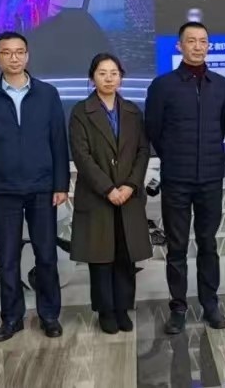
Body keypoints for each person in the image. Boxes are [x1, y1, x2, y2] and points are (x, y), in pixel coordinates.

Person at [0, 32, 69, 342]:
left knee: (47, 255)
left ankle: (49, 315)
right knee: (8, 258)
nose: (14, 57)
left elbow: (58, 140)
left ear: (27, 55)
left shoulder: (47, 93)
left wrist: (61, 183)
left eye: (19, 52)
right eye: (7, 52)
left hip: (42, 187)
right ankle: (11, 318)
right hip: (4, 189)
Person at [145, 22, 225, 334]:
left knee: (208, 243)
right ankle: (178, 308)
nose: (197, 46)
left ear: (209, 46)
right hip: (177, 179)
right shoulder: (163, 85)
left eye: (203, 41)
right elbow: (153, 129)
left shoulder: (220, 85)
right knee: (177, 246)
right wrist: (175, 157)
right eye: (191, 41)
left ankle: (210, 304)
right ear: (179, 46)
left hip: (211, 177)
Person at [69, 53, 152, 334]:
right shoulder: (82, 111)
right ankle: (105, 311)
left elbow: (142, 151)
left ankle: (123, 308)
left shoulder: (132, 111)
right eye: (102, 73)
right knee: (101, 256)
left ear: (121, 77)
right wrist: (108, 188)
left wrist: (130, 185)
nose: (108, 78)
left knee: (125, 255)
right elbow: (81, 156)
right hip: (97, 196)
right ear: (92, 77)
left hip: (128, 196)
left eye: (114, 73)